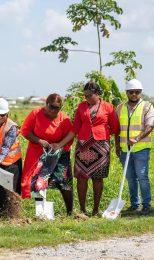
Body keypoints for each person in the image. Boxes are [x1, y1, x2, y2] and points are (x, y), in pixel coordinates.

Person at [54, 82, 119, 217]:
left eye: (89, 96)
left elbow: (115, 128)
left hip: (101, 146)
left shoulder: (108, 107)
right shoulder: (81, 107)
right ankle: (83, 210)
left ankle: (95, 210)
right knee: (81, 177)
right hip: (83, 145)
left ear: (97, 94)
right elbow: (74, 129)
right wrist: (60, 144)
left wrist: (115, 145)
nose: (87, 98)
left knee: (98, 178)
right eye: (85, 96)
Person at [21, 94, 74, 215]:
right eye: (51, 106)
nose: (53, 110)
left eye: (57, 107)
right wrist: (39, 141)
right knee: (38, 181)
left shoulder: (63, 118)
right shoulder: (36, 114)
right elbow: (25, 131)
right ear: (46, 104)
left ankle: (70, 212)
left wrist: (59, 145)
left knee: (64, 181)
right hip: (38, 151)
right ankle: (41, 212)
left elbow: (70, 136)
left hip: (58, 153)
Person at [115, 79, 154, 215]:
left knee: (142, 177)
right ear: (126, 92)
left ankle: (146, 204)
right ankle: (134, 204)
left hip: (141, 149)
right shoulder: (120, 107)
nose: (134, 94)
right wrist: (116, 145)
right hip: (124, 149)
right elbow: (116, 129)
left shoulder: (147, 106)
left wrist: (137, 139)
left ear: (140, 92)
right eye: (131, 92)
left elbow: (150, 126)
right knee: (130, 178)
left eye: (137, 92)